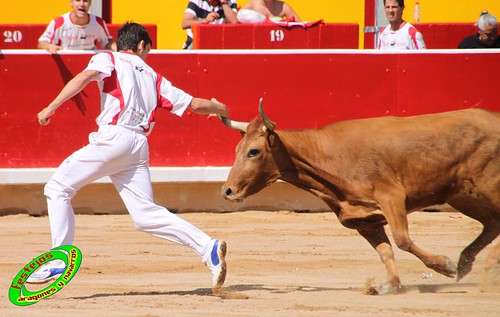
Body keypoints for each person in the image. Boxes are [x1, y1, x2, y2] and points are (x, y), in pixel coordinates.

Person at [27, 22, 228, 291]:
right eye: (148, 51)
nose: (147, 57)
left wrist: (51, 107)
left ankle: (58, 258)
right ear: (142, 45)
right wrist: (219, 107)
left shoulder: (108, 57)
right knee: (145, 215)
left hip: (114, 138)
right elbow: (195, 104)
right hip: (138, 146)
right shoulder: (155, 77)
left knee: (57, 188)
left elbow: (84, 77)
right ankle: (207, 246)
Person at [39, 0, 116, 54]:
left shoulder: (98, 22)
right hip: (66, 61)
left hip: (90, 63)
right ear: (71, 3)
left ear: (90, 3)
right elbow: (41, 42)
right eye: (78, 0)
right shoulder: (59, 22)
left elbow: (108, 43)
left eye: (85, 1)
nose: (82, 4)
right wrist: (49, 46)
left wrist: (118, 49)